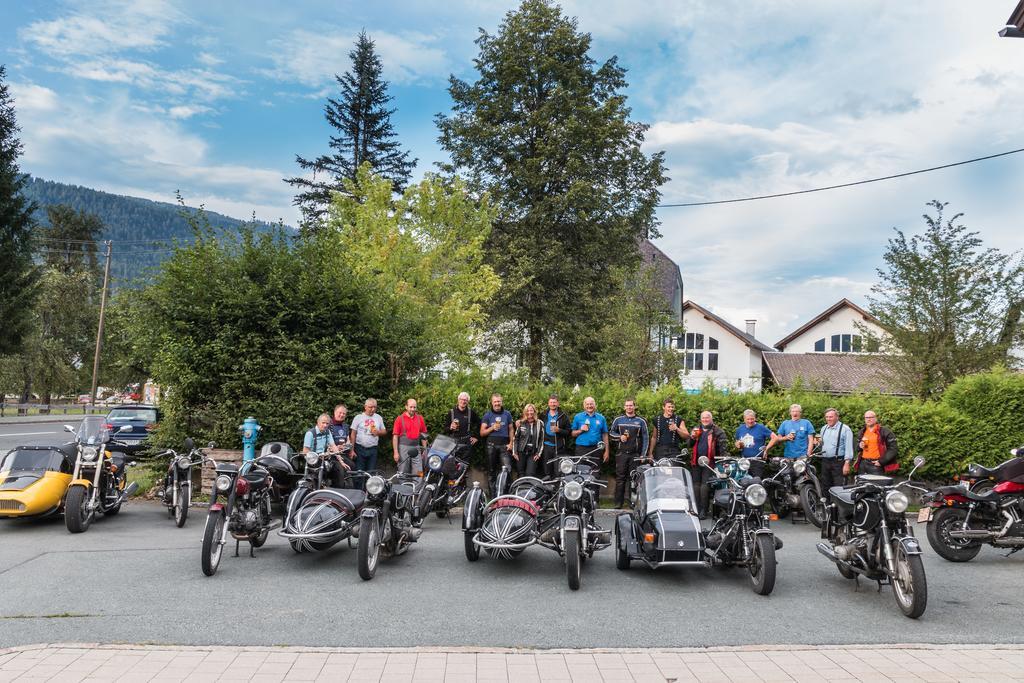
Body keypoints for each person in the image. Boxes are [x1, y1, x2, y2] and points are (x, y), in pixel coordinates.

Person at [609, 398, 650, 508]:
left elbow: (646, 438)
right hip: (621, 453)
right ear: (624, 407)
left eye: (631, 405)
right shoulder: (618, 420)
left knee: (634, 479)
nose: (629, 407)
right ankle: (618, 503)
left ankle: (633, 503)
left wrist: (643, 454)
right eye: (627, 405)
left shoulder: (641, 421)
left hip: (635, 454)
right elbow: (611, 433)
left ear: (634, 407)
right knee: (620, 479)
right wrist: (619, 436)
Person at [689, 410, 728, 518]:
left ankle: (704, 511)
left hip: (710, 463)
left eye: (707, 418)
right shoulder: (697, 429)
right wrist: (692, 437)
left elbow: (723, 449)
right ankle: (696, 509)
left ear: (711, 419)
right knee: (695, 486)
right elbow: (689, 444)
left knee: (704, 487)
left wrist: (723, 461)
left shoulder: (718, 431)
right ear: (701, 419)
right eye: (703, 418)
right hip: (696, 461)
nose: (705, 420)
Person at [481, 394, 515, 495]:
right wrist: (492, 428)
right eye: (495, 402)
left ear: (501, 402)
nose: (497, 403)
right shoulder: (487, 415)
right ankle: (493, 498)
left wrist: (511, 443)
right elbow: (482, 433)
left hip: (505, 446)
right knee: (491, 471)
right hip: (491, 445)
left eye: (499, 401)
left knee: (507, 470)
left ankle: (506, 496)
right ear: (492, 403)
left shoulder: (507, 414)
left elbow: (511, 429)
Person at [303, 413, 349, 487]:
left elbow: (333, 446)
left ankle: (337, 491)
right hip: (313, 460)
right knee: (323, 470)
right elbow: (305, 451)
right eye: (323, 423)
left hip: (325, 458)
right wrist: (316, 457)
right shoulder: (310, 434)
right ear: (318, 422)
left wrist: (341, 461)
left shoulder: (327, 432)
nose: (325, 425)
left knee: (339, 468)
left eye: (327, 423)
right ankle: (320, 487)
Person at [850, 410, 899, 476]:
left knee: (876, 486)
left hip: (876, 465)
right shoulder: (862, 432)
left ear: (875, 418)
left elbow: (893, 449)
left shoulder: (885, 431)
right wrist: (859, 446)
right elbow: (857, 448)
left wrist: (881, 461)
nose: (868, 419)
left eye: (871, 417)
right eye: (866, 418)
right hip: (863, 464)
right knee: (862, 485)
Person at [817, 408, 854, 492]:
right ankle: (827, 504)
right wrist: (818, 444)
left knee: (839, 486)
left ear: (837, 417)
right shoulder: (824, 428)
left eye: (831, 417)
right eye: (827, 417)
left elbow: (849, 448)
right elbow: (822, 446)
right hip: (825, 461)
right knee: (825, 485)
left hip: (838, 462)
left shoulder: (845, 429)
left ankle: (838, 505)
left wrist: (847, 463)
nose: (828, 419)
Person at [571, 396, 609, 471]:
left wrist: (607, 451)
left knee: (595, 472)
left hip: (596, 449)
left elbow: (605, 435)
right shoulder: (578, 417)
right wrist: (581, 430)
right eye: (587, 404)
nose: (589, 406)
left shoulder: (601, 418)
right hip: (581, 449)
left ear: (595, 405)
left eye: (591, 404)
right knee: (580, 471)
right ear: (584, 406)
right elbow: (572, 434)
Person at [392, 398, 428, 476]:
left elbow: (423, 435)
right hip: (403, 448)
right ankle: (403, 487)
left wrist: (425, 450)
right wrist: (396, 452)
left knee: (419, 471)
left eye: (414, 407)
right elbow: (395, 437)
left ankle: (418, 488)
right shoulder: (399, 419)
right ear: (406, 407)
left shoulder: (420, 418)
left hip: (416, 447)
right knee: (403, 470)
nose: (413, 409)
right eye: (411, 407)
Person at [350, 398, 386, 476]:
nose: (373, 409)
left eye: (375, 407)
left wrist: (378, 432)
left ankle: (369, 488)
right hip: (359, 448)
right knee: (359, 473)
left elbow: (384, 431)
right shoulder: (358, 417)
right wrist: (352, 450)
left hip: (373, 449)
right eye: (370, 407)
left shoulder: (378, 417)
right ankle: (358, 488)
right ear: (365, 407)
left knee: (371, 472)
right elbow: (353, 434)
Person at [734, 409, 774, 477]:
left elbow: (775, 438)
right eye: (748, 419)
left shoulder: (761, 427)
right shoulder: (740, 429)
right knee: (744, 482)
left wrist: (767, 449)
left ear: (755, 418)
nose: (750, 421)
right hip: (744, 462)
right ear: (744, 419)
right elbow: (737, 443)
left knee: (757, 482)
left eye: (752, 419)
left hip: (758, 461)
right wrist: (738, 445)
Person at [540, 394, 572, 478]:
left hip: (559, 446)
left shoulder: (563, 416)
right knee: (546, 470)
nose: (552, 404)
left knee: (558, 471)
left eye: (554, 402)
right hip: (546, 446)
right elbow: (533, 421)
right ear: (548, 403)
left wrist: (559, 430)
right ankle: (547, 489)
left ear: (558, 403)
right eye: (551, 402)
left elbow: (569, 432)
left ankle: (556, 489)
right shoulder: (543, 414)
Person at [513, 404, 545, 478]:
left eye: (531, 410)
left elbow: (541, 440)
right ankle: (520, 489)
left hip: (533, 453)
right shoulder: (521, 423)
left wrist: (538, 454)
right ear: (525, 412)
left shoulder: (540, 423)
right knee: (520, 473)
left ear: (534, 411)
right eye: (527, 410)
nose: (529, 412)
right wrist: (514, 452)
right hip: (521, 452)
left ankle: (528, 489)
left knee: (529, 474)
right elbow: (516, 438)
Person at [329, 404, 354, 471]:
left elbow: (348, 441)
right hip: (331, 455)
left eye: (344, 413)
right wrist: (335, 448)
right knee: (341, 469)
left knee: (352, 465)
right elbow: (325, 442)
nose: (342, 415)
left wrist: (345, 446)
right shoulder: (328, 425)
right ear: (334, 412)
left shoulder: (345, 426)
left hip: (343, 454)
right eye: (340, 413)